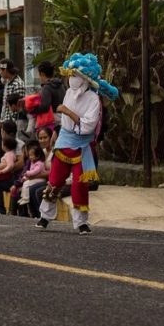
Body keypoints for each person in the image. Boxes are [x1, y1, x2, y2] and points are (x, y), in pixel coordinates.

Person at [37, 53, 118, 235]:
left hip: (82, 146)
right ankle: (45, 216)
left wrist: (66, 111)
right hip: (64, 141)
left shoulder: (93, 99)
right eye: (70, 75)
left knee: (79, 185)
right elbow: (64, 122)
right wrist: (57, 132)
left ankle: (81, 222)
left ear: (84, 78)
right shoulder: (68, 93)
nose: (71, 79)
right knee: (55, 180)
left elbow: (87, 127)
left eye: (74, 76)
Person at [25, 61, 65, 136]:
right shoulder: (60, 84)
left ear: (42, 74)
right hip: (63, 117)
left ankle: (29, 132)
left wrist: (33, 111)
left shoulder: (47, 87)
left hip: (53, 119)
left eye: (39, 75)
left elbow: (45, 106)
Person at [11, 141, 47, 216]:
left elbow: (34, 171)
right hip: (31, 179)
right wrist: (21, 180)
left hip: (40, 179)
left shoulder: (38, 162)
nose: (25, 154)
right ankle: (19, 211)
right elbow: (25, 173)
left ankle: (33, 211)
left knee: (30, 188)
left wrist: (26, 175)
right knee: (20, 188)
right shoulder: (30, 161)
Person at [26, 126, 55, 217]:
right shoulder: (41, 152)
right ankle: (35, 216)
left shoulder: (55, 152)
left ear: (51, 138)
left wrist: (35, 176)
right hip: (45, 180)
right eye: (40, 138)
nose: (42, 140)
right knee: (30, 189)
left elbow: (54, 172)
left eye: (45, 137)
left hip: (54, 181)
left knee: (37, 191)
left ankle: (43, 216)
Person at [0, 59, 28, 141]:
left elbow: (18, 107)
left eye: (0, 70)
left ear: (6, 70)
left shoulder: (18, 85)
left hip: (14, 126)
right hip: (6, 124)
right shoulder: (7, 83)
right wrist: (2, 119)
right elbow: (5, 104)